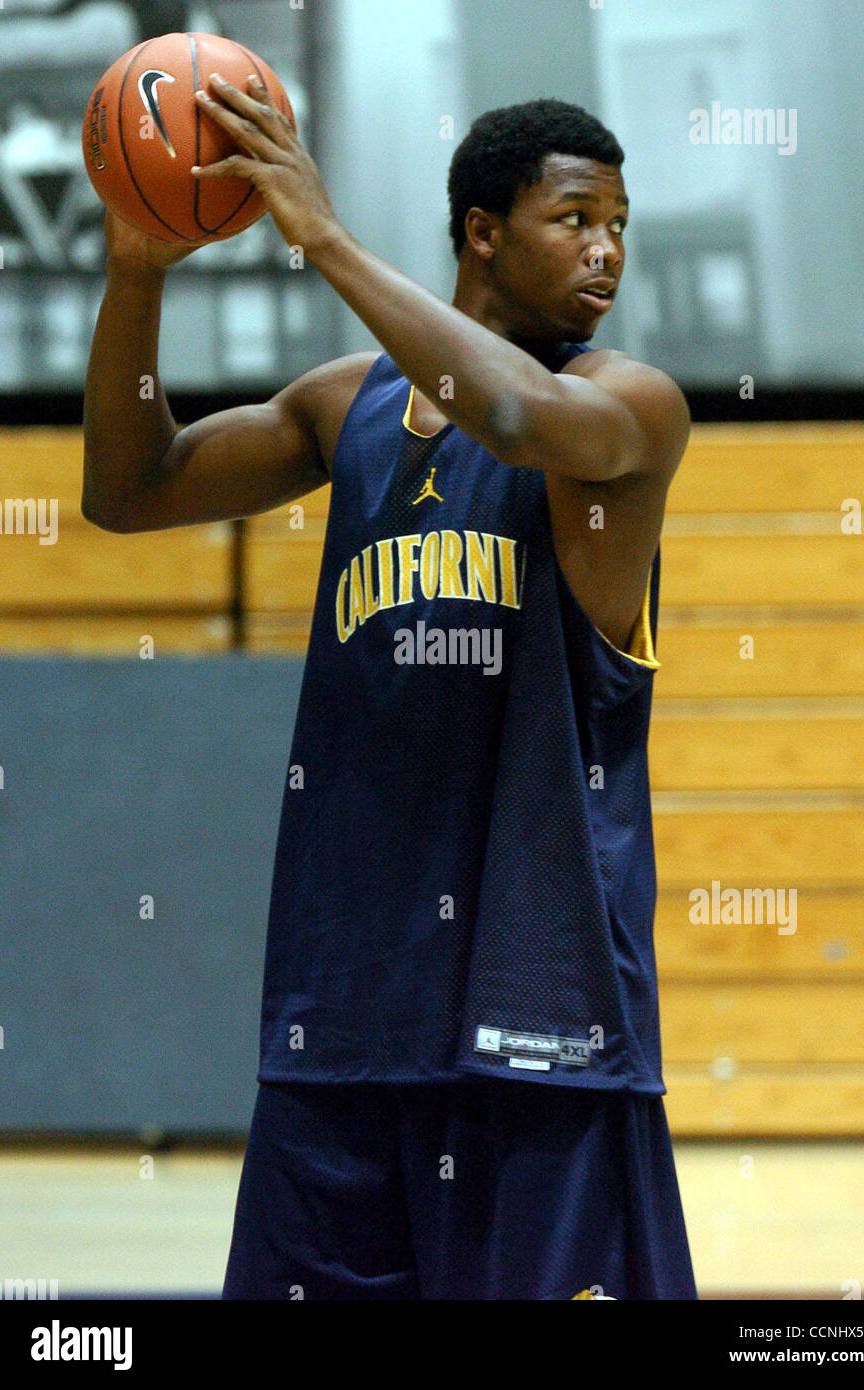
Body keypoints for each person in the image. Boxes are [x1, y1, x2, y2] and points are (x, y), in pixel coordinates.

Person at [82, 83, 696, 1301]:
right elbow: (127, 485)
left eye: (620, 225)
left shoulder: (630, 410)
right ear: (482, 230)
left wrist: (325, 238)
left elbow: (515, 410)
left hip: (543, 1019)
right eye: (575, 219)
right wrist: (139, 266)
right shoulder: (343, 406)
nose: (607, 249)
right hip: (347, 1014)